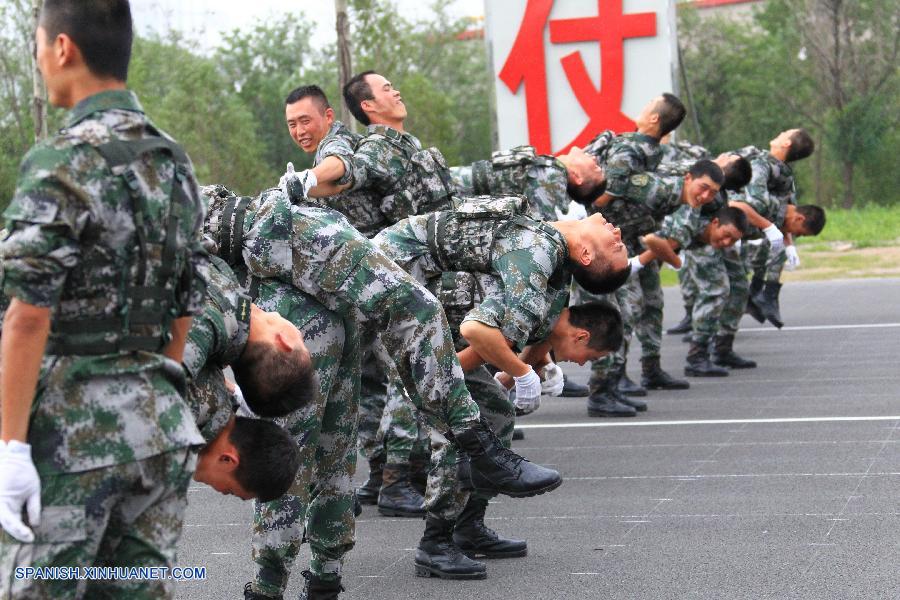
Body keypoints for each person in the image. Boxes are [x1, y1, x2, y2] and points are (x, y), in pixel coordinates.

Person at [207, 186, 565, 598]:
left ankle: (324, 580)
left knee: (334, 444)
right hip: (281, 245)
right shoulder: (164, 250)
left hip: (288, 246)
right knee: (294, 447)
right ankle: (477, 446)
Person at [0, 2, 208, 598]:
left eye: (38, 47)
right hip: (162, 430)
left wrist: (11, 446)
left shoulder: (61, 158)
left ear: (62, 49)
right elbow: (186, 301)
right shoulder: (174, 161)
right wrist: (156, 385)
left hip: (73, 436)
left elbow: (27, 315)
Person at [374, 196, 627, 578]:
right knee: (459, 425)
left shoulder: (551, 259)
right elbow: (477, 332)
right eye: (620, 243)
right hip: (388, 284)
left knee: (493, 409)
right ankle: (436, 544)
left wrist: (532, 366)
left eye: (617, 245)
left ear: (587, 255)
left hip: (415, 294)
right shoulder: (538, 249)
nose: (618, 231)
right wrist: (511, 374)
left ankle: (467, 527)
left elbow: (537, 320)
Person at [282, 84, 424, 517]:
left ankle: (383, 476)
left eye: (305, 120)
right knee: (394, 380)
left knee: (372, 385)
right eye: (291, 125)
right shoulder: (326, 150)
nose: (299, 130)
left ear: (327, 116)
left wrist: (308, 181)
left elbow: (340, 166)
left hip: (366, 280)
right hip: (366, 286)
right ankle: (392, 480)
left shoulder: (337, 141)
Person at [636, 206, 750, 375]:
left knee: (738, 287)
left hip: (667, 245)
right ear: (715, 223)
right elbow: (651, 241)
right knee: (715, 291)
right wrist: (673, 261)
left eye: (733, 240)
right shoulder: (686, 225)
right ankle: (696, 357)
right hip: (635, 245)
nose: (727, 242)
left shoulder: (715, 223)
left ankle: (720, 348)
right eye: (726, 235)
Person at [733, 129, 817, 328]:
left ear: (786, 143)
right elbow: (785, 209)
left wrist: (787, 243)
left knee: (724, 284)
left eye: (785, 133)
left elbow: (760, 202)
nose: (780, 132)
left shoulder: (768, 167)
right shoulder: (771, 166)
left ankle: (761, 294)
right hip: (736, 223)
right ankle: (759, 294)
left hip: (739, 222)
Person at [450, 145, 606, 220]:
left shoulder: (553, 178)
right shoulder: (553, 172)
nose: (594, 158)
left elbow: (544, 225)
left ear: (578, 177)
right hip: (449, 185)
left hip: (447, 191)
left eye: (597, 168)